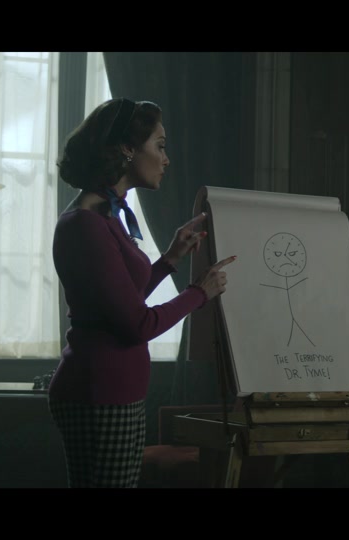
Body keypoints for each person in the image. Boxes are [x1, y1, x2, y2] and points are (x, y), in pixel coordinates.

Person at [48, 97, 235, 488]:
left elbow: (121, 300)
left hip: (113, 391)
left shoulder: (103, 215)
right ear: (127, 149)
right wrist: (199, 293)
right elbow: (137, 324)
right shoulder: (86, 224)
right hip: (100, 392)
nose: (166, 159)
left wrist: (169, 258)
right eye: (160, 146)